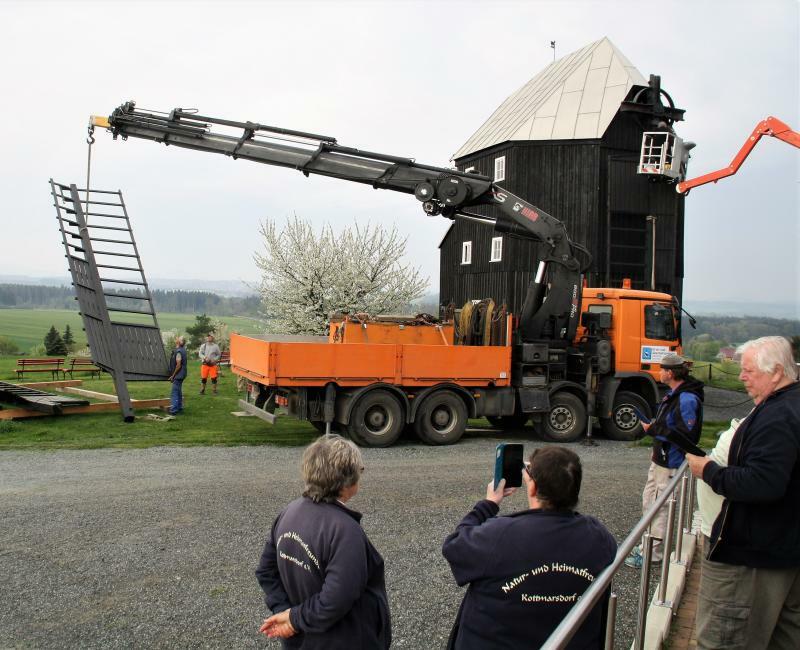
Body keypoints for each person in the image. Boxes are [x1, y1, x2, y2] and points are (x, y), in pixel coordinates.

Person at [686, 336, 800, 649]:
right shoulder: (789, 405)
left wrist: (707, 471)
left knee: (725, 640)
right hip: (777, 550)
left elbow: (763, 483)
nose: (741, 377)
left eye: (749, 370)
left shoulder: (778, 418)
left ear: (776, 372)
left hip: (750, 560)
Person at [442, 446, 616, 649]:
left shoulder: (500, 535)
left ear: (532, 488)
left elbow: (454, 546)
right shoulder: (598, 536)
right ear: (574, 489)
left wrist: (489, 503)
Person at [255, 435, 390, 649]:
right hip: (344, 640)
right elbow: (336, 599)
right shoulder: (346, 531)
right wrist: (292, 618)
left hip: (300, 641)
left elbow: (266, 571)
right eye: (360, 470)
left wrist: (286, 613)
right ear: (347, 479)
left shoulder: (288, 513)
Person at [626, 352, 704, 568]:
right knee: (649, 501)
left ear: (670, 373)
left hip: (670, 461)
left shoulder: (687, 399)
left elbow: (684, 435)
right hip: (660, 458)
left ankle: (654, 555)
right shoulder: (675, 394)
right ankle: (646, 546)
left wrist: (653, 429)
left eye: (662, 369)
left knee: (661, 508)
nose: (659, 373)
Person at [167, 335, 187, 415]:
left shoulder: (179, 351)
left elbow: (178, 365)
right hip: (182, 374)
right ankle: (179, 407)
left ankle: (174, 410)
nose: (176, 339)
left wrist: (173, 375)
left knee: (174, 392)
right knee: (178, 391)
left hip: (179, 375)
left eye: (178, 339)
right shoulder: (182, 350)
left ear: (179, 342)